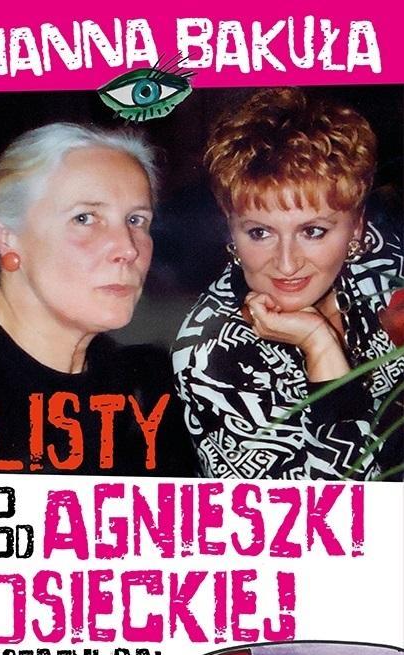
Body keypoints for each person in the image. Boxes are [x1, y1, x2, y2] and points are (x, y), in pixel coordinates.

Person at [172, 88, 403, 480]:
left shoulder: (383, 260)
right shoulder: (211, 356)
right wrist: (320, 347)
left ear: (357, 227)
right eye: (259, 232)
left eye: (312, 231)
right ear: (231, 227)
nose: (286, 263)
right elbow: (333, 510)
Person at [0, 122, 198, 475]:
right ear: (5, 236)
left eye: (136, 220)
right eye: (85, 218)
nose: (127, 248)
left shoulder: (146, 388)